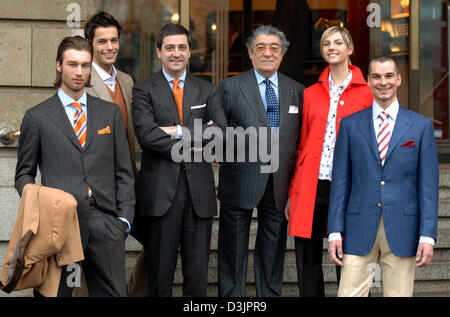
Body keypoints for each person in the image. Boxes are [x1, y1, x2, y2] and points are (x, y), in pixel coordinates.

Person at [14, 36, 135, 297]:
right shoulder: (37, 116)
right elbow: (23, 174)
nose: (79, 72)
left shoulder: (110, 113)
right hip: (60, 226)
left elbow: (123, 171)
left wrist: (123, 220)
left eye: (85, 65)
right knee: (58, 295)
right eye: (72, 64)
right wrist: (44, 207)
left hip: (105, 223)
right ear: (59, 65)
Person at [327, 56, 439, 297]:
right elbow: (340, 183)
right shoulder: (350, 125)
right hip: (358, 225)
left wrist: (428, 234)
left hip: (403, 228)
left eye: (389, 76)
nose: (383, 82)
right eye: (376, 76)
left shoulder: (420, 127)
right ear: (368, 81)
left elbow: (428, 186)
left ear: (399, 79)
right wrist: (334, 230)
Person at [131, 23, 227, 297]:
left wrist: (176, 131)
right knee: (159, 278)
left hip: (199, 195)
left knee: (197, 279)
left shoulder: (208, 91)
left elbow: (219, 133)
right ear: (159, 51)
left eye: (182, 47)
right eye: (170, 47)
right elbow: (147, 135)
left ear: (189, 52)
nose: (176, 53)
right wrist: (197, 138)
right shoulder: (143, 90)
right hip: (161, 194)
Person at [286, 26, 373, 297]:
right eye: (326, 43)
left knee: (350, 258)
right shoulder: (310, 93)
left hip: (350, 187)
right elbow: (301, 144)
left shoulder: (368, 93)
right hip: (312, 184)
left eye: (337, 42)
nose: (331, 47)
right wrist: (293, 192)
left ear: (350, 49)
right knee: (307, 259)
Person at [217, 25, 304, 297]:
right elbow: (218, 134)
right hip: (240, 179)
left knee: (273, 248)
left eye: (274, 48)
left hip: (280, 182)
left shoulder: (297, 91)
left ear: (283, 54)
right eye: (260, 47)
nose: (267, 53)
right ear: (250, 53)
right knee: (233, 249)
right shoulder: (230, 88)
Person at [84, 11, 138, 178]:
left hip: (126, 176)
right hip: (95, 179)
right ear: (89, 43)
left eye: (114, 40)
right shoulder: (81, 82)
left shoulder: (126, 81)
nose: (110, 47)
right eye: (102, 41)